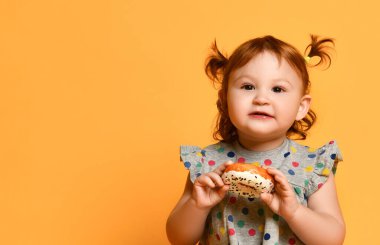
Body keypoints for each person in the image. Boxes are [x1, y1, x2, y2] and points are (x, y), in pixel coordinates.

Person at [166, 35, 345, 245]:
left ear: (301, 107)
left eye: (277, 89)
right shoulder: (206, 163)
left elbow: (333, 239)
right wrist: (198, 205)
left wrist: (295, 212)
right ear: (224, 99)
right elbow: (178, 239)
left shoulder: (312, 167)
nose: (261, 99)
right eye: (248, 87)